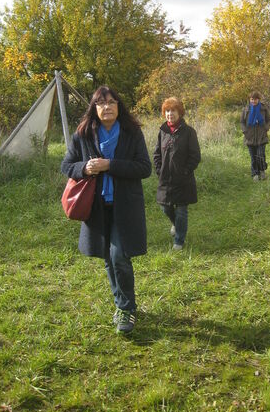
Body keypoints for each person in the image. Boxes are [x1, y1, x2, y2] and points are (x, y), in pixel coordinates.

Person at [61, 85, 151, 334]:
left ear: (118, 106)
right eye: (101, 103)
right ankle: (122, 304)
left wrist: (110, 165)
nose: (107, 107)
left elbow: (144, 168)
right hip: (96, 208)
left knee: (119, 255)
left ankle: (126, 308)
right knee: (108, 257)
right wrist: (85, 168)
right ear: (94, 108)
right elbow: (66, 165)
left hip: (125, 206)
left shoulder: (132, 133)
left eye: (112, 102)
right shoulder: (83, 134)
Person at [153, 97, 201, 250]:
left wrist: (185, 171)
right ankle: (175, 224)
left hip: (183, 180)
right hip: (165, 179)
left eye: (173, 110)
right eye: (167, 111)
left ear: (179, 112)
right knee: (165, 207)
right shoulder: (162, 131)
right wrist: (159, 170)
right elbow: (156, 154)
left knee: (181, 210)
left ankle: (179, 241)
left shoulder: (189, 132)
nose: (170, 114)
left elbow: (195, 156)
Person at [240, 90, 270, 181]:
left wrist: (266, 128)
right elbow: (242, 122)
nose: (253, 101)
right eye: (252, 99)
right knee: (253, 157)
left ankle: (262, 171)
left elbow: (269, 120)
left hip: (262, 136)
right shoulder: (246, 109)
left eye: (255, 99)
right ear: (250, 99)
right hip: (249, 137)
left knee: (261, 155)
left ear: (258, 99)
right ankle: (255, 174)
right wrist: (245, 131)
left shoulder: (263, 109)